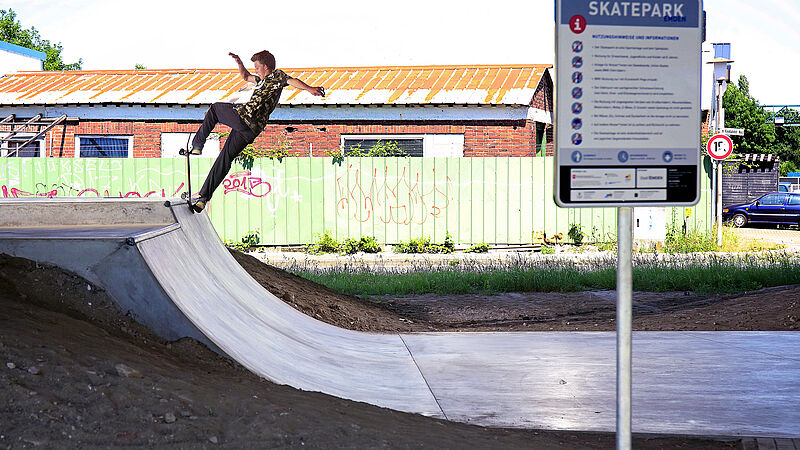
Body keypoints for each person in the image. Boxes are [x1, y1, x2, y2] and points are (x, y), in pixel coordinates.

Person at [188, 50, 325, 212]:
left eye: (257, 67)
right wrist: (239, 63)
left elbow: (292, 81)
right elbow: (246, 77)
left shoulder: (276, 76)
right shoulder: (261, 80)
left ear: (266, 66)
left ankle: (197, 145)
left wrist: (309, 89)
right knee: (225, 157)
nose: (256, 71)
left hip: (245, 118)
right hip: (250, 131)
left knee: (215, 109)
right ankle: (203, 199)